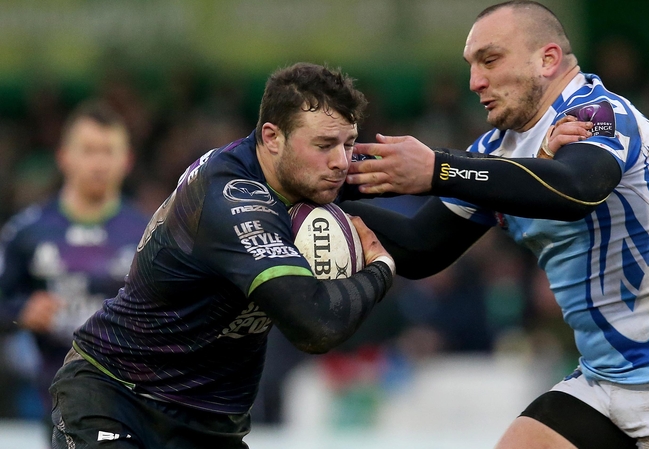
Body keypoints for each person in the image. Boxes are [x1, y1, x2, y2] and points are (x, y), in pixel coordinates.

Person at [343, 2, 649, 448]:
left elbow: (577, 189)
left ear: (547, 60)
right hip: (607, 383)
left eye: (490, 60)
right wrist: (315, 204)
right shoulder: (497, 148)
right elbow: (422, 247)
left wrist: (439, 168)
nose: (475, 82)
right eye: (472, 66)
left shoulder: (598, 111)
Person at [49, 63, 395, 449]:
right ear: (272, 137)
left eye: (348, 144)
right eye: (324, 145)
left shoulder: (311, 181)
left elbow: (423, 243)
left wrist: (443, 174)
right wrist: (380, 270)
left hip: (208, 424)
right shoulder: (230, 196)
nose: (342, 162)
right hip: (119, 394)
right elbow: (315, 326)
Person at [0, 100, 150, 423]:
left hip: (130, 402)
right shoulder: (27, 231)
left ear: (127, 161)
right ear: (64, 157)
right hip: (51, 399)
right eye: (88, 150)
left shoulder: (149, 234)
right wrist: (20, 313)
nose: (98, 162)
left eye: (108, 151)